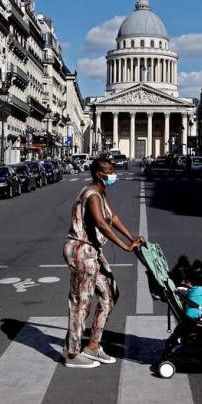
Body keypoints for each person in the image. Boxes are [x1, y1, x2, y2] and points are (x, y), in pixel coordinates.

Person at [63, 156, 143, 368]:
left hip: (93, 252)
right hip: (82, 251)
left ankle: (93, 346)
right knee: (81, 301)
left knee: (110, 294)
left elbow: (112, 218)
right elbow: (101, 223)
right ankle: (72, 354)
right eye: (111, 171)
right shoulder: (91, 195)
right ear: (100, 174)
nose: (114, 175)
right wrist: (125, 246)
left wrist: (131, 237)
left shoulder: (100, 193)